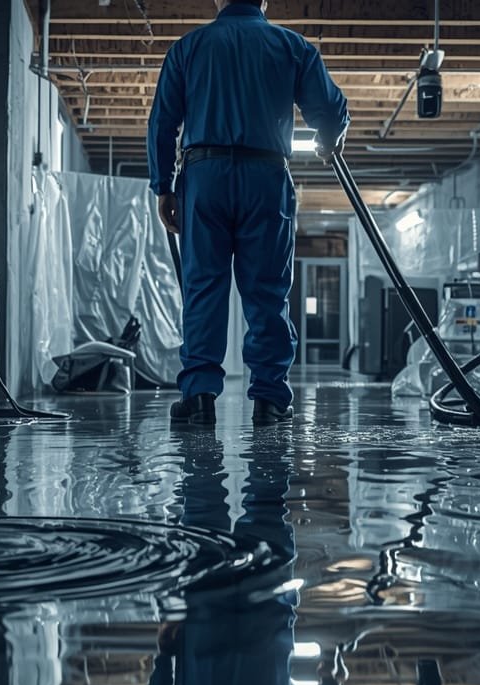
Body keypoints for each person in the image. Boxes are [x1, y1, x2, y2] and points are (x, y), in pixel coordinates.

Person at [148, 0, 351, 427]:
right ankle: (270, 400)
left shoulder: (188, 48)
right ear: (264, 1)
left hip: (204, 177)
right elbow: (331, 110)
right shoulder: (292, 46)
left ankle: (200, 396)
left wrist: (163, 186)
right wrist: (328, 139)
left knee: (204, 287)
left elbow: (163, 123)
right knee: (268, 293)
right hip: (267, 177)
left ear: (218, 0)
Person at [148, 432, 351, 685]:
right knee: (203, 503)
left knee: (267, 503)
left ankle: (268, 417)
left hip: (268, 618)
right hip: (205, 616)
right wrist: (166, 651)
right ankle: (202, 419)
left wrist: (331, 677)